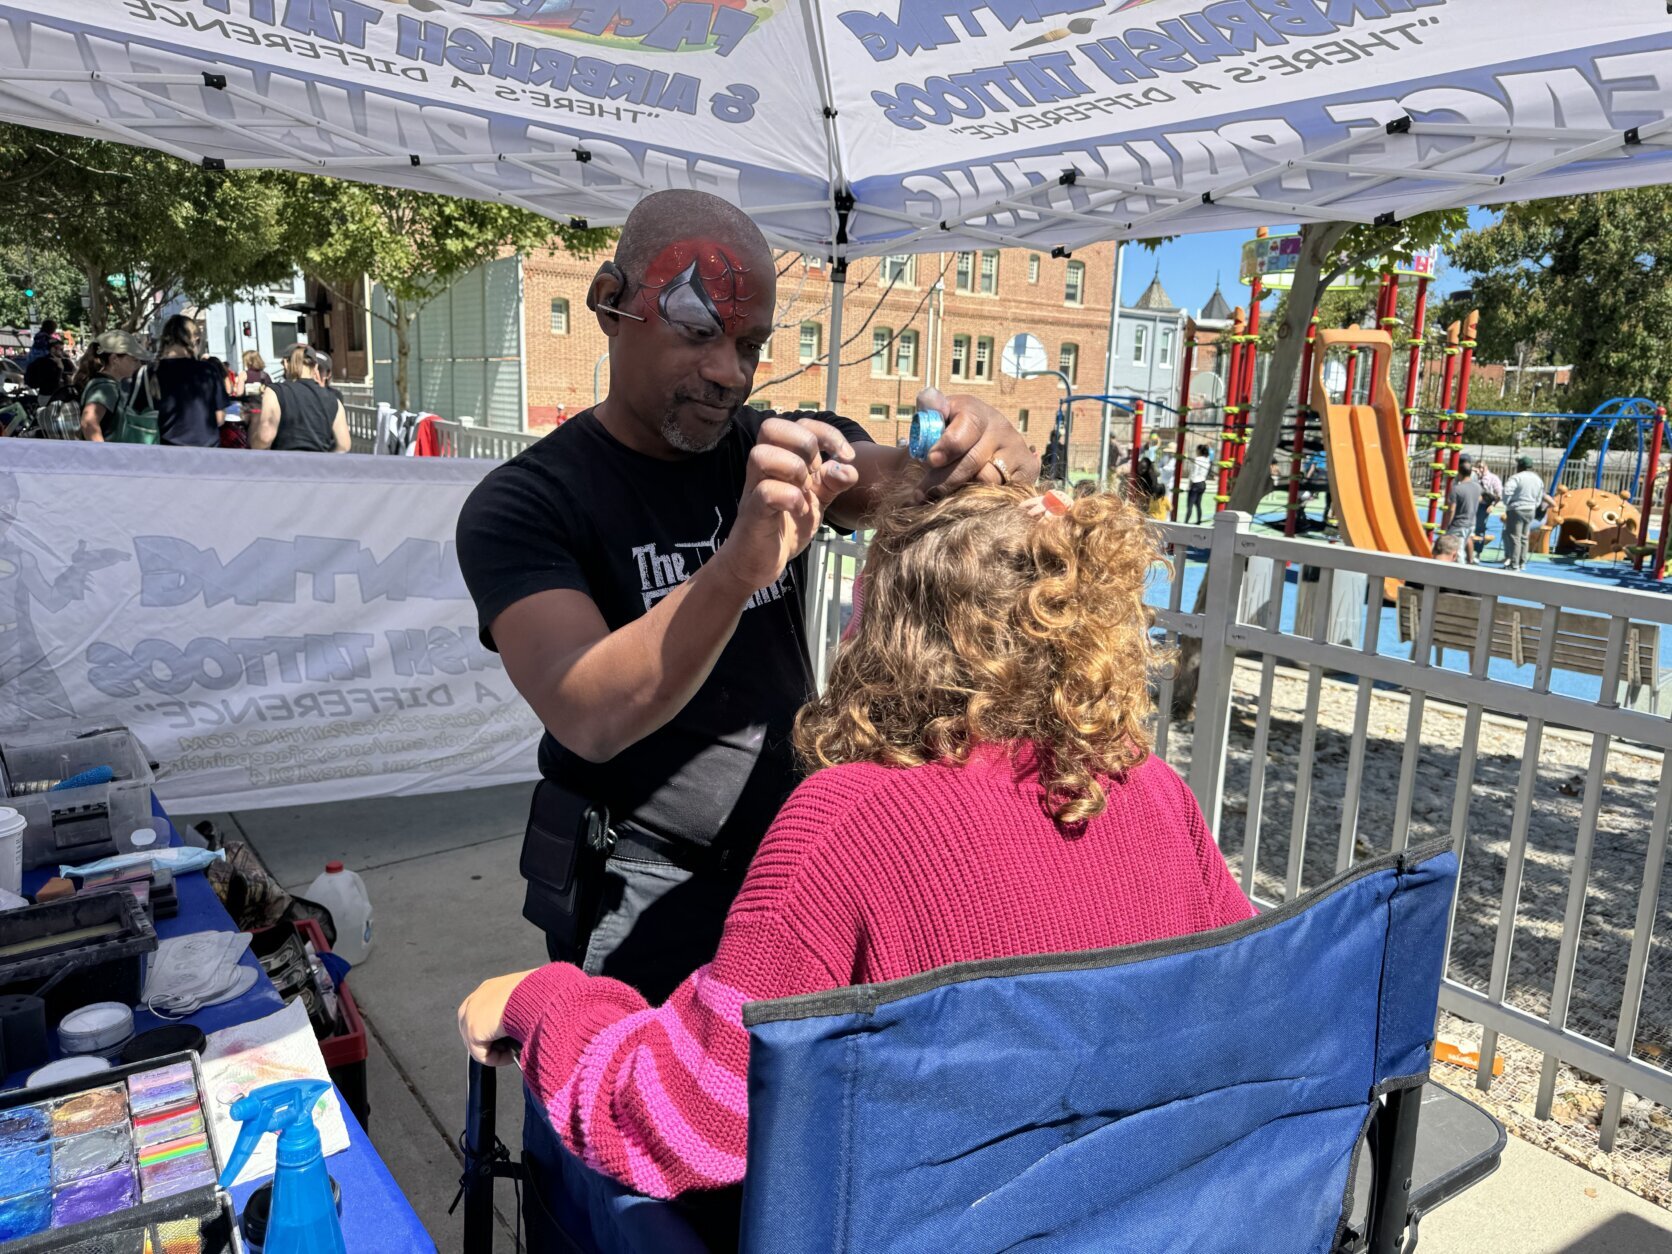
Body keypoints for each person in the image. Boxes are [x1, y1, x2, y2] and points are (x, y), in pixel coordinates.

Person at [458, 482, 1253, 1222]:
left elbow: (685, 1123)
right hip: (1131, 1218)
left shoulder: (849, 823)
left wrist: (546, 1001)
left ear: (891, 633)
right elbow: (1246, 1006)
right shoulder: (1152, 790)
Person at [454, 189, 1036, 1003]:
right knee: (633, 1117)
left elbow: (896, 481)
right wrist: (735, 570)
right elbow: (586, 711)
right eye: (697, 332)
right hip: (641, 888)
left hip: (789, 865)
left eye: (750, 344)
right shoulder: (526, 503)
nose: (728, 371)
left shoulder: (775, 447)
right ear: (610, 302)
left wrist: (973, 452)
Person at [250, 344, 350, 453]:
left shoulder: (275, 392)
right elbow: (344, 445)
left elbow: (265, 437)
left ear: (286, 364)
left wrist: (253, 442)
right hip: (319, 467)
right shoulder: (333, 399)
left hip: (285, 465)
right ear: (315, 367)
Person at [153, 314, 224, 447]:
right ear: (195, 339)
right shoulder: (208, 371)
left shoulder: (150, 373)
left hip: (164, 454)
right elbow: (219, 419)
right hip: (207, 454)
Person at [73, 331, 145, 442]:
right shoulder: (105, 387)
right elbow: (88, 423)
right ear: (114, 359)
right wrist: (104, 455)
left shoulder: (103, 383)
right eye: (134, 359)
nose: (139, 364)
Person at [1501, 454, 1554, 572]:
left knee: (1515, 537)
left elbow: (1507, 491)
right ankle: (1522, 563)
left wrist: (1507, 503)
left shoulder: (1516, 477)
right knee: (1524, 537)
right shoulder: (1537, 479)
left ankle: (1514, 564)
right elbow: (1540, 496)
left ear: (1520, 466)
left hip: (1516, 509)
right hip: (1530, 510)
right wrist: (1533, 505)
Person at [1442, 455, 1483, 564]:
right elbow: (1480, 499)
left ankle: (1461, 571)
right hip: (1471, 521)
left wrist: (1449, 524)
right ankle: (1470, 560)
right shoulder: (1477, 487)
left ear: (1459, 472)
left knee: (1459, 550)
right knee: (1467, 539)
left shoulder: (1457, 489)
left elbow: (1452, 509)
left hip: (1459, 523)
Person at [1474, 460, 1502, 556]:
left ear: (1486, 467)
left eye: (1481, 467)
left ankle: (1477, 551)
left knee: (1479, 528)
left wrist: (1492, 505)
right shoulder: (1474, 478)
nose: (1480, 469)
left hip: (1484, 505)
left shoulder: (1493, 478)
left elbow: (1499, 494)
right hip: (1473, 504)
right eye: (1478, 467)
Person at [1186, 442, 1212, 525]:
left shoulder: (1197, 459)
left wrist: (1189, 484)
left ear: (1199, 450)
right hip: (1203, 483)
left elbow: (1193, 473)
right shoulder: (1207, 460)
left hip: (1195, 482)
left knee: (1190, 504)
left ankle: (1185, 522)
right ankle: (1198, 521)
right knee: (1198, 504)